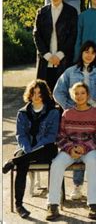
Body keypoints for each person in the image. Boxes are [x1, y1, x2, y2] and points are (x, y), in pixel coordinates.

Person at [2, 80, 60, 219]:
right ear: (29, 94)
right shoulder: (22, 112)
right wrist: (28, 149)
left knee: (44, 150)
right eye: (33, 93)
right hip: (26, 149)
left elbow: (52, 135)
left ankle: (13, 161)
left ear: (45, 95)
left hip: (45, 148)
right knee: (23, 163)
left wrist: (36, 147)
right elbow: (20, 135)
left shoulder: (53, 111)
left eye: (40, 94)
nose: (36, 96)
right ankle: (19, 205)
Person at [46, 82, 96, 221]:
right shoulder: (67, 113)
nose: (79, 96)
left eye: (82, 93)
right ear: (72, 96)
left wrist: (84, 147)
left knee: (93, 162)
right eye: (76, 93)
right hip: (70, 148)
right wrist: (71, 148)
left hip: (91, 149)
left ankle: (93, 204)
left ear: (88, 95)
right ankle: (53, 204)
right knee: (56, 164)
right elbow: (60, 136)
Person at [33, 0, 78, 92]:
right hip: (46, 58)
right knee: (44, 93)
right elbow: (36, 34)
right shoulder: (42, 12)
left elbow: (73, 35)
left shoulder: (71, 12)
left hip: (64, 59)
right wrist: (47, 55)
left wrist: (60, 55)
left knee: (63, 92)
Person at [54, 40, 96, 110]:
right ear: (81, 53)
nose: (89, 55)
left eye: (93, 53)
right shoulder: (70, 71)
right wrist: (69, 107)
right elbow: (58, 92)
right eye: (87, 52)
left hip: (95, 112)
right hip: (75, 112)